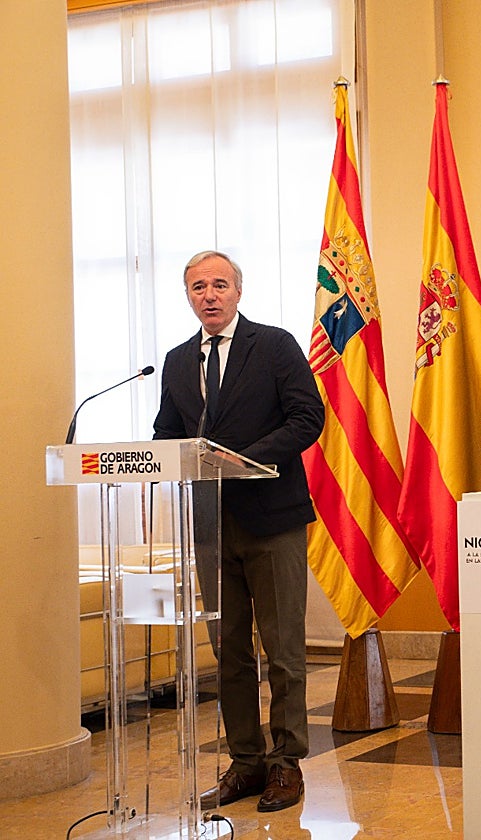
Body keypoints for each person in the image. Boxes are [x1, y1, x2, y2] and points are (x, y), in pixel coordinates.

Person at [153, 250, 324, 813]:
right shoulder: (178, 361)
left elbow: (307, 418)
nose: (209, 294)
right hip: (211, 524)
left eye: (219, 284)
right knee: (227, 651)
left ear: (238, 291)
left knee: (282, 650)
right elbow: (167, 434)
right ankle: (246, 762)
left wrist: (241, 459)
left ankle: (286, 763)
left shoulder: (273, 346)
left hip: (271, 517)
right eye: (198, 286)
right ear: (189, 296)